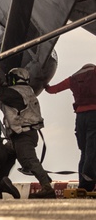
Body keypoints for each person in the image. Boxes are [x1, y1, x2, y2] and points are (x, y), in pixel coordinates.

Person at [0, 67, 55, 198]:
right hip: (19, 136)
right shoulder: (26, 91)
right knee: (5, 159)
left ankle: (47, 188)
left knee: (29, 161)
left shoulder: (16, 94)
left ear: (15, 80)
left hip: (24, 135)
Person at [45, 63, 96, 193]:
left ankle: (84, 185)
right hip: (94, 115)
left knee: (84, 151)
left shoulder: (73, 78)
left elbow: (52, 90)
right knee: (92, 150)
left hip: (80, 117)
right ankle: (89, 174)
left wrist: (44, 83)